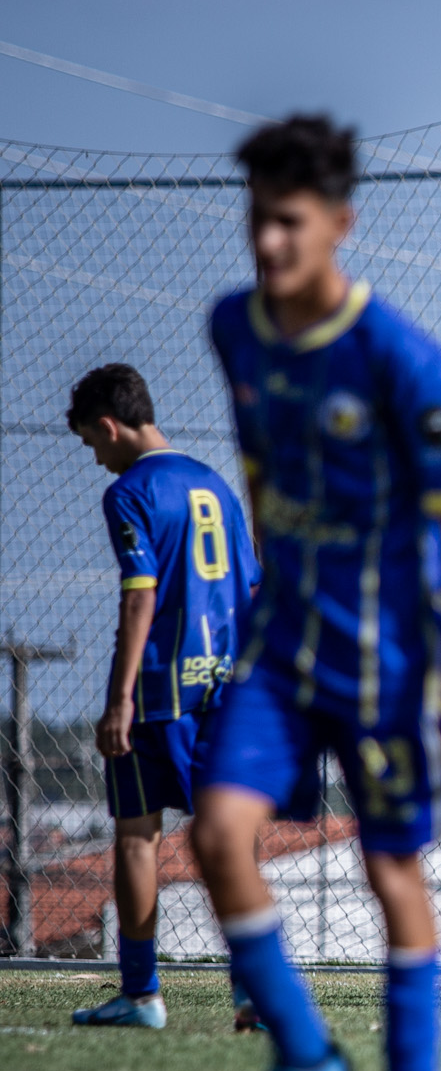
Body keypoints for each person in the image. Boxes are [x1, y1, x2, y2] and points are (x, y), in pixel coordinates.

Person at [190, 114, 441, 1071]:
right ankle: (308, 1061)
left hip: (387, 667)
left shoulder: (403, 362)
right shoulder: (233, 328)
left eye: (288, 223)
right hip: (278, 655)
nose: (267, 244)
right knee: (219, 834)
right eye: (256, 220)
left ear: (339, 224)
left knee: (390, 872)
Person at [66, 364, 258, 1032]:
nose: (97, 458)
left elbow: (141, 593)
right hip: (225, 688)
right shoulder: (215, 485)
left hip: (159, 694)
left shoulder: (130, 492)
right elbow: (251, 589)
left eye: (93, 443)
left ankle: (143, 994)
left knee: (137, 840)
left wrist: (119, 698)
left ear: (109, 425)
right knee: (229, 840)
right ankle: (254, 989)